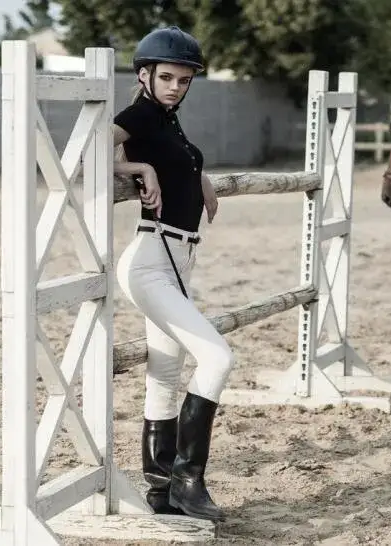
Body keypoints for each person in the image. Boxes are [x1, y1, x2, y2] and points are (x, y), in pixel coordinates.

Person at [112, 26, 232, 523]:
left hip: (180, 258)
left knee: (164, 377)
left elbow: (174, 155)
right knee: (219, 358)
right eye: (167, 77)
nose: (176, 86)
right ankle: (188, 479)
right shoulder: (140, 113)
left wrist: (195, 174)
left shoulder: (168, 120)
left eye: (184, 80)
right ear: (144, 75)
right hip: (150, 264)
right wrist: (139, 169)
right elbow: (89, 150)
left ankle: (160, 488)